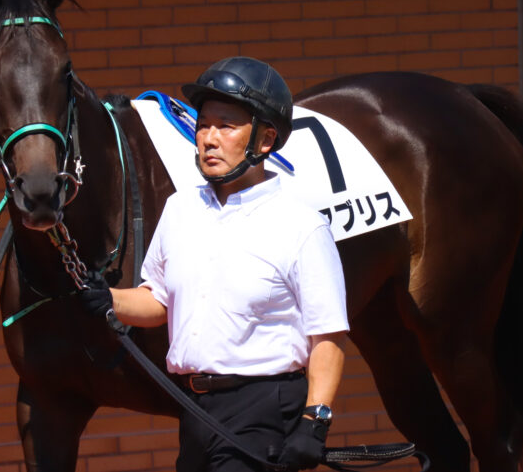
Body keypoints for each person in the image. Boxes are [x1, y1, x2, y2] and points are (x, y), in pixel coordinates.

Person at [82, 56, 349, 472]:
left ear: (264, 140)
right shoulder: (179, 210)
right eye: (204, 124)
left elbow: (327, 338)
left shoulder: (303, 228)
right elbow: (158, 301)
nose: (208, 138)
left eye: (226, 126)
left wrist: (315, 421)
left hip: (265, 409)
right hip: (195, 409)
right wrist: (106, 298)